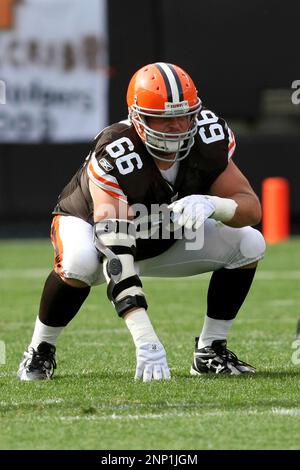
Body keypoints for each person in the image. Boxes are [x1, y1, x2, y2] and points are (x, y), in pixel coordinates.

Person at [18, 62, 266, 382]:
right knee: (79, 263)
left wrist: (212, 204)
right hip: (91, 226)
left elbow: (250, 208)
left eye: (184, 115)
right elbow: (116, 252)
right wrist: (146, 340)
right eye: (163, 119)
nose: (177, 126)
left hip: (159, 232)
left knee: (249, 242)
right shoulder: (115, 151)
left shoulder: (209, 137)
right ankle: (40, 349)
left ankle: (210, 350)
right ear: (138, 119)